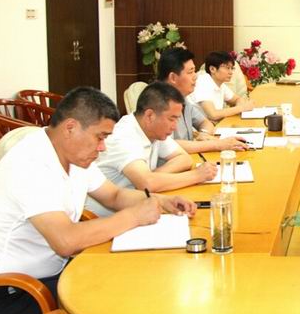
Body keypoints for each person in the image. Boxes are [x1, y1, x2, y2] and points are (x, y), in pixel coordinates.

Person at [0, 87, 196, 314]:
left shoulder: (72, 154)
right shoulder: (31, 164)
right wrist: (134, 216)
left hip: (46, 275)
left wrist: (160, 201)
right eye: (100, 137)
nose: (103, 147)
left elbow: (113, 195)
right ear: (70, 128)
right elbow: (66, 241)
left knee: (136, 275)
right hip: (7, 292)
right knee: (127, 296)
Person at [87, 82, 217, 217]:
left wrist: (155, 177)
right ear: (150, 116)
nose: (175, 126)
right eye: (172, 119)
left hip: (137, 209)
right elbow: (147, 184)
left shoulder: (155, 130)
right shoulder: (123, 136)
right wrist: (196, 176)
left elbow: (184, 159)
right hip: (106, 219)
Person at [158, 47, 249, 153]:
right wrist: (216, 144)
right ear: (173, 78)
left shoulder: (182, 98)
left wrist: (204, 135)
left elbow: (205, 122)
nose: (195, 76)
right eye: (190, 72)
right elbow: (168, 144)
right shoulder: (158, 102)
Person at [193, 51, 254, 122]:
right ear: (212, 69)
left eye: (232, 68)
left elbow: (237, 99)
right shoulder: (203, 82)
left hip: (215, 125)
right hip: (199, 128)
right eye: (227, 68)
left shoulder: (221, 84)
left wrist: (241, 106)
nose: (231, 72)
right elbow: (213, 115)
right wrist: (241, 108)